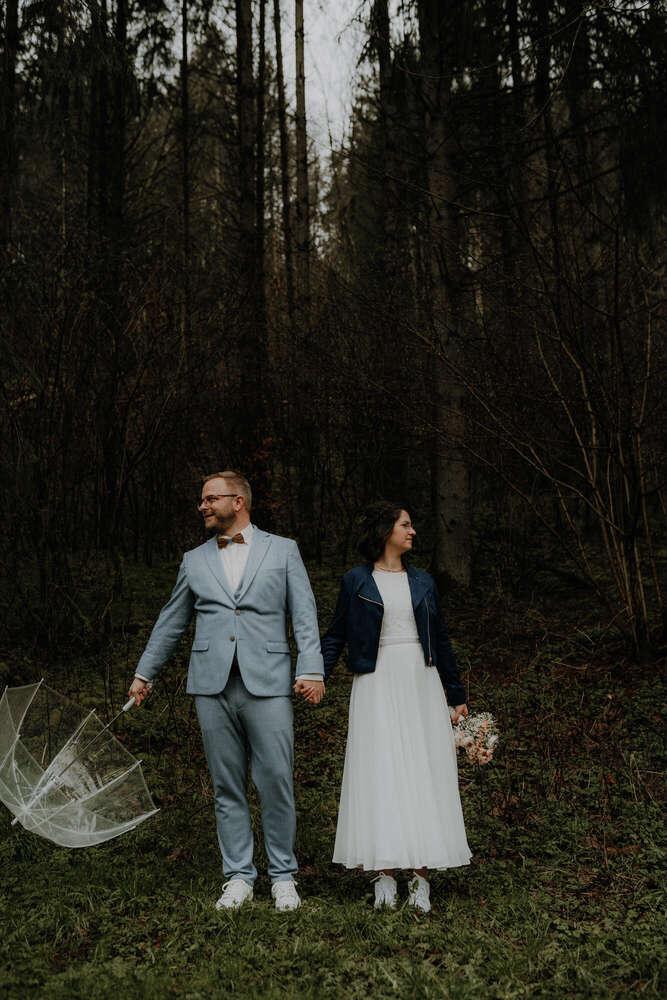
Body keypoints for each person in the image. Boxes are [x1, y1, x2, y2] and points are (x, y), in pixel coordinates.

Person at [129, 470, 325, 911]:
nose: (202, 506)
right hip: (211, 684)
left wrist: (312, 668)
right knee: (226, 785)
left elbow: (305, 614)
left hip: (270, 681)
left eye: (210, 499)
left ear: (238, 502)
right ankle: (238, 876)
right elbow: (171, 621)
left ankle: (283, 876)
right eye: (202, 499)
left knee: (276, 781)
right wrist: (145, 674)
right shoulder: (193, 560)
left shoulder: (284, 550)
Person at [321, 501, 472, 912]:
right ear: (386, 530)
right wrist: (315, 673)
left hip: (419, 681)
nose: (413, 532)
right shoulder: (356, 580)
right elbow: (335, 635)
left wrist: (455, 694)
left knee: (423, 770)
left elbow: (440, 639)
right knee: (380, 770)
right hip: (375, 681)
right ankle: (384, 875)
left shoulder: (424, 582)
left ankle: (420, 878)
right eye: (406, 524)